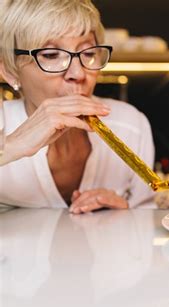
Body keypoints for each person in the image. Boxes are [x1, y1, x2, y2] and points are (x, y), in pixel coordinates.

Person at [0, 0, 156, 213]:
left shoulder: (130, 126)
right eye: (51, 55)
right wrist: (12, 146)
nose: (78, 74)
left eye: (88, 53)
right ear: (10, 71)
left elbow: (148, 226)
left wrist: (126, 215)